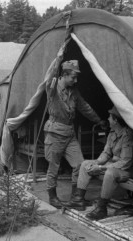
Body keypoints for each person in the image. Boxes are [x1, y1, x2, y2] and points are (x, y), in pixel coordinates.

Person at [43, 55, 107, 208]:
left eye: (76, 77)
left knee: (79, 165)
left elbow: (85, 108)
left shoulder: (74, 92)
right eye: (73, 77)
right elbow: (50, 76)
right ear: (64, 75)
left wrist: (99, 121)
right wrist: (57, 59)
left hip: (69, 134)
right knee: (54, 167)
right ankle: (52, 197)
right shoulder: (52, 88)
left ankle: (76, 198)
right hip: (55, 133)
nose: (75, 80)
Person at [73, 106, 133, 220]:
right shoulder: (113, 132)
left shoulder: (127, 135)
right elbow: (106, 153)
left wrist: (100, 168)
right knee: (86, 164)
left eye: (110, 117)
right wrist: (96, 163)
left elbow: (126, 162)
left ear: (115, 120)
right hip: (116, 167)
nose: (108, 119)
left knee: (110, 173)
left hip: (131, 170)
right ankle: (78, 199)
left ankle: (101, 208)